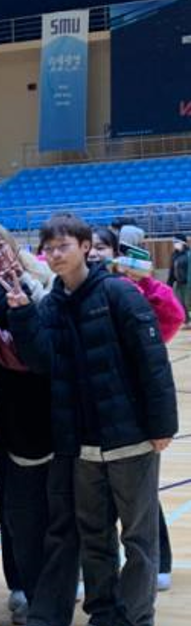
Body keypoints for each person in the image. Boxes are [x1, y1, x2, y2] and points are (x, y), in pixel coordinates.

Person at [6, 213, 177, 626]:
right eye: (49, 248)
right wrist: (21, 315)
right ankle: (102, 617)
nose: (55, 255)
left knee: (138, 538)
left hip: (130, 438)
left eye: (63, 246)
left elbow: (152, 359)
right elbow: (41, 361)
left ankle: (136, 623)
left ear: (85, 247)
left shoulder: (119, 293)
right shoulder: (51, 303)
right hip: (80, 443)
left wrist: (162, 425)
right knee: (95, 537)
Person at [0, 222, 53, 626]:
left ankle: (61, 575)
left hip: (50, 402)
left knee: (58, 499)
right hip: (8, 406)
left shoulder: (43, 277)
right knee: (12, 504)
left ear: (12, 244)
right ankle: (19, 582)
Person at [90, 226, 180, 593]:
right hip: (91, 408)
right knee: (94, 503)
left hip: (131, 408)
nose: (95, 253)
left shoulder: (133, 288)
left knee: (141, 497)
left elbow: (171, 319)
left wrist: (146, 283)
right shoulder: (73, 288)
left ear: (115, 252)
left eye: (102, 247)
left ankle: (159, 562)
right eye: (91, 246)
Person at [167, 237, 191, 328]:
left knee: (188, 302)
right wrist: (169, 283)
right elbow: (172, 270)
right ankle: (187, 321)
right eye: (174, 242)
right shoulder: (174, 255)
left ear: (183, 243)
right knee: (180, 302)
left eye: (176, 242)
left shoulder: (189, 254)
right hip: (179, 283)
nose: (174, 244)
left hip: (188, 283)